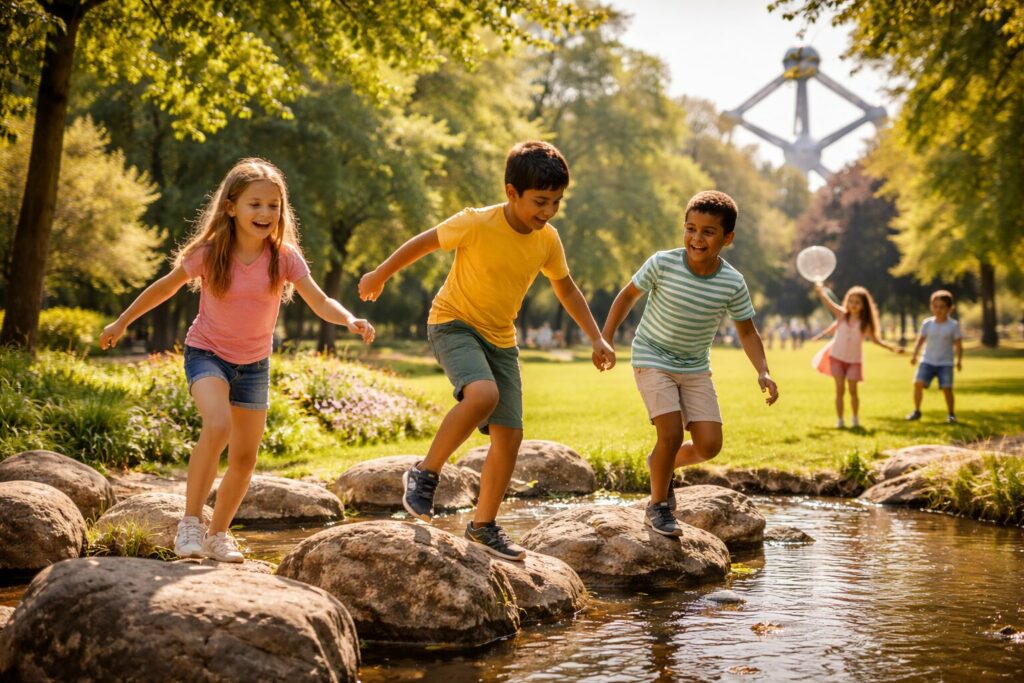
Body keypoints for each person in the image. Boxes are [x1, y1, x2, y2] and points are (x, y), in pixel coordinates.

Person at [99, 158, 375, 562]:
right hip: (207, 353)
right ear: (231, 206)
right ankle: (190, 525)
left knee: (245, 458)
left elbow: (319, 300)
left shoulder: (284, 257)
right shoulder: (209, 253)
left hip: (254, 365)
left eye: (273, 206)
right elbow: (164, 288)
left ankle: (218, 534)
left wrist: (349, 318)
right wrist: (122, 322)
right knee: (217, 424)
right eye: (255, 204)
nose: (265, 213)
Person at [358, 140, 615, 561]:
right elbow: (423, 243)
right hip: (452, 323)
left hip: (500, 338)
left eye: (555, 202)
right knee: (483, 395)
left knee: (510, 436)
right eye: (539, 202)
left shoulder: (547, 240)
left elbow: (565, 287)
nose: (547, 211)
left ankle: (483, 526)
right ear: (512, 192)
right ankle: (424, 473)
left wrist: (596, 336)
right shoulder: (476, 222)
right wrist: (380, 274)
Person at [601, 190, 779, 537]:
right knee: (668, 432)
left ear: (727, 238)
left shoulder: (732, 282)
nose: (697, 238)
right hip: (652, 356)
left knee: (709, 445)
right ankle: (659, 506)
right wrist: (605, 337)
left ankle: (659, 464)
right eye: (690, 228)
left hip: (695, 366)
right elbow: (626, 297)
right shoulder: (662, 263)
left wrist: (763, 369)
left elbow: (747, 332)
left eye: (708, 232)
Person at [811, 283, 902, 428]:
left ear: (864, 305)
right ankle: (840, 421)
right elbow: (829, 303)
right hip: (837, 358)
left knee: (853, 391)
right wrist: (821, 291)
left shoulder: (865, 324)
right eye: (851, 301)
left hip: (854, 361)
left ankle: (854, 419)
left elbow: (876, 341)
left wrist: (892, 348)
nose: (853, 305)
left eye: (857, 302)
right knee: (839, 390)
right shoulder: (842, 315)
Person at [906, 290, 963, 423]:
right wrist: (914, 355)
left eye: (942, 306)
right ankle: (916, 411)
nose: (938, 309)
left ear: (949, 308)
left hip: (945, 363)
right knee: (918, 383)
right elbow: (920, 340)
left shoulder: (953, 325)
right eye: (935, 306)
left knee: (946, 388)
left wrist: (959, 361)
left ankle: (951, 414)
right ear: (931, 306)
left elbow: (958, 345)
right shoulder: (927, 323)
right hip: (927, 360)